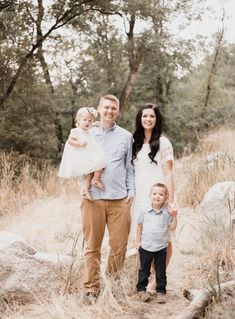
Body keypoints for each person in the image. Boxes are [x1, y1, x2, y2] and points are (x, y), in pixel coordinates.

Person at [81, 95, 135, 304]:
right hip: (92, 199)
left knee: (119, 246)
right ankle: (91, 290)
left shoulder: (125, 136)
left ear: (117, 111)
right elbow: (76, 158)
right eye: (106, 107)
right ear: (99, 109)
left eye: (114, 108)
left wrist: (131, 190)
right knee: (92, 246)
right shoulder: (88, 132)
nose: (110, 111)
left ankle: (111, 285)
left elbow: (129, 167)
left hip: (119, 199)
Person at [130, 103, 177, 293]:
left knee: (164, 238)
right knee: (145, 239)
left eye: (151, 116)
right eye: (144, 116)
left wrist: (170, 199)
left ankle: (158, 279)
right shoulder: (134, 141)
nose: (148, 119)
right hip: (141, 197)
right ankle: (147, 277)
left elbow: (168, 173)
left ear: (156, 119)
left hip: (160, 195)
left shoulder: (163, 143)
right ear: (139, 118)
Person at [135, 183, 177, 303]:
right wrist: (137, 242)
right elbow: (139, 226)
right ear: (150, 195)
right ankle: (141, 291)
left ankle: (161, 292)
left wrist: (175, 217)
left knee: (160, 271)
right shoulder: (144, 211)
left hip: (160, 247)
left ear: (165, 197)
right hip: (146, 246)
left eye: (161, 194)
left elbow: (173, 227)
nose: (157, 196)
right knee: (144, 270)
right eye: (154, 193)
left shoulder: (167, 213)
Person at [58, 107, 106, 200]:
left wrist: (95, 124)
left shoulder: (88, 130)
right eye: (85, 120)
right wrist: (79, 144)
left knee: (100, 163)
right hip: (82, 155)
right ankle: (88, 188)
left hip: (88, 154)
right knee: (93, 168)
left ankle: (93, 182)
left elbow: (90, 126)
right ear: (78, 121)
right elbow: (70, 141)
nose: (87, 122)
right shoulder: (75, 131)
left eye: (90, 121)